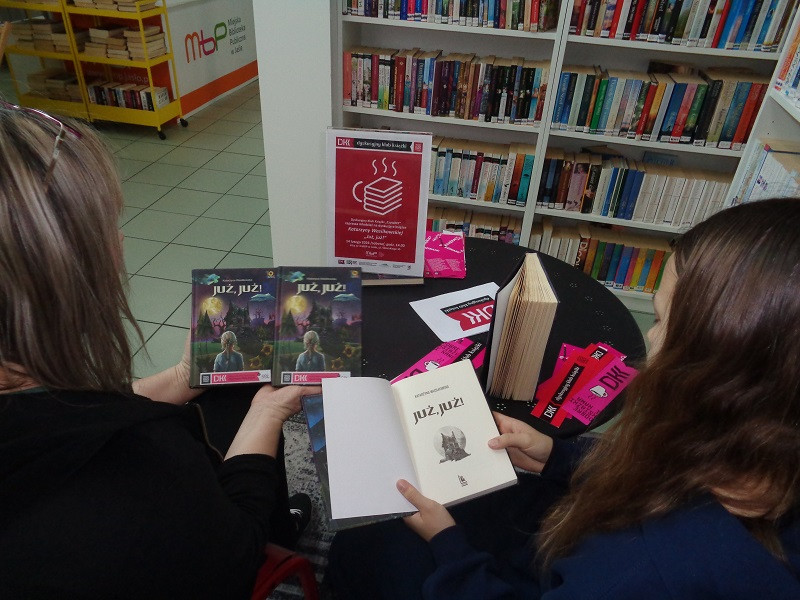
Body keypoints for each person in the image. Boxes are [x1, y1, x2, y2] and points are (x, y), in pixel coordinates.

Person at [327, 198, 800, 599]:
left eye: (660, 320)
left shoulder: (649, 569)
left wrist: (447, 546)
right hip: (593, 529)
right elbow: (672, 479)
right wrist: (558, 455)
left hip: (549, 568)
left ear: (716, 370)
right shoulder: (760, 455)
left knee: (369, 547)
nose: (649, 341)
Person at [0, 102, 320, 599]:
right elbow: (233, 555)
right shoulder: (146, 464)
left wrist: (180, 375)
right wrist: (270, 411)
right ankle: (282, 525)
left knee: (221, 388)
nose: (121, 239)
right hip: (205, 550)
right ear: (62, 273)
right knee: (244, 401)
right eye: (107, 226)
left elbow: (62, 419)